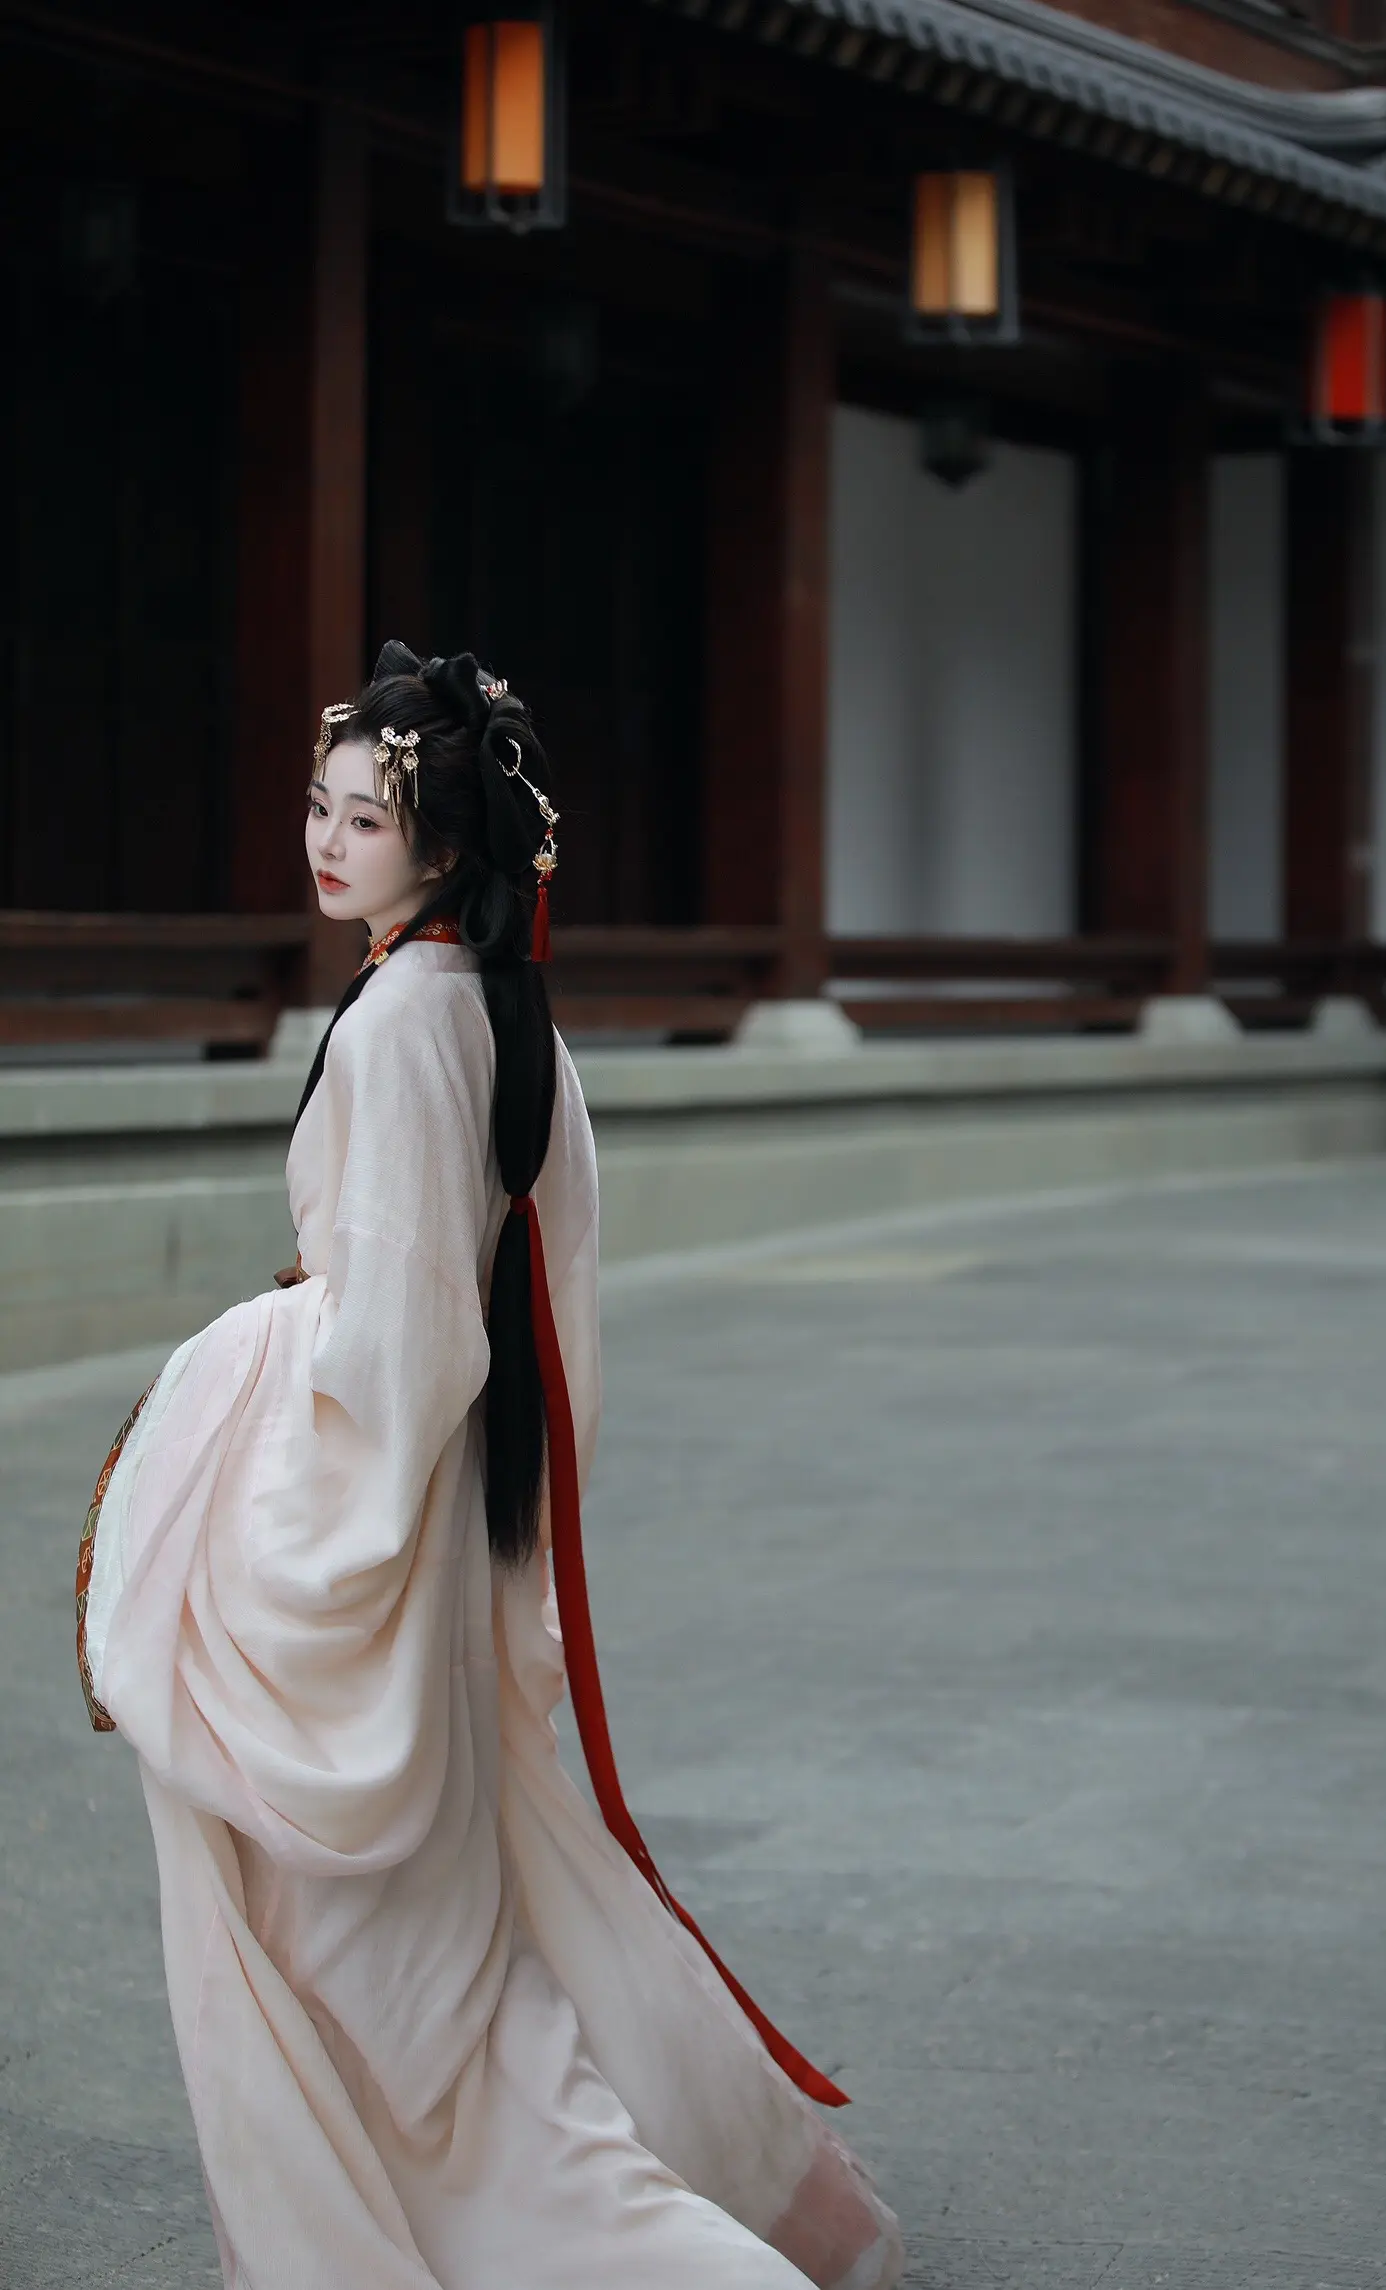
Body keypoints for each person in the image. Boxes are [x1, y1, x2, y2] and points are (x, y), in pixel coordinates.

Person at [75, 643, 905, 2290]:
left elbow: (400, 1348)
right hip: (447, 1517)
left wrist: (245, 1383)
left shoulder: (403, 1025)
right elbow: (515, 1304)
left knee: (387, 1979)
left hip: (383, 1524)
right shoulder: (497, 1011)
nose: (327, 842)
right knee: (460, 1951)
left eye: (365, 819)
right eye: (319, 806)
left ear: (443, 844)